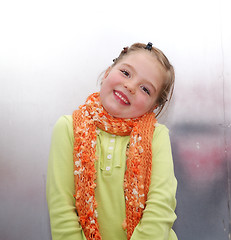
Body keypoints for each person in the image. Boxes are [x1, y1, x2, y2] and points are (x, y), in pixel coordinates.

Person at [46, 42, 177, 240]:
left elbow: (161, 208)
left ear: (153, 106)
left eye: (145, 89)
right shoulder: (68, 128)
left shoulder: (157, 137)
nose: (130, 86)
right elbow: (62, 209)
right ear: (108, 72)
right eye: (126, 73)